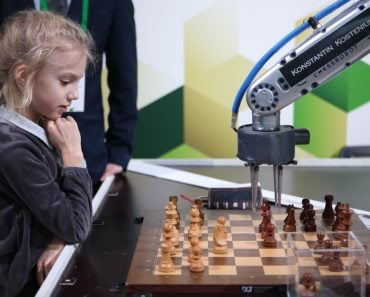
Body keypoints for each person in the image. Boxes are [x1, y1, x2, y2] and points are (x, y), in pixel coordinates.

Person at [0, 10, 94, 296]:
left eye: (77, 82)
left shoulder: (40, 127)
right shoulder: (12, 148)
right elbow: (76, 226)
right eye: (66, 82)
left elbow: (61, 217)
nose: (75, 94)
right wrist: (73, 154)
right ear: (24, 76)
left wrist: (56, 237)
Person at [0, 0, 138, 191]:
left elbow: (124, 76)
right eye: (65, 82)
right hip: (19, 146)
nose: (73, 93)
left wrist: (119, 151)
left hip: (88, 151)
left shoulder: (114, 4)